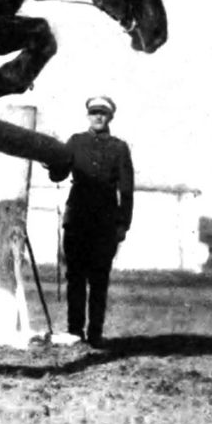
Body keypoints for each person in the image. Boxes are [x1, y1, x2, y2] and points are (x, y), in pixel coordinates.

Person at [48, 96, 134, 347]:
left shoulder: (119, 148)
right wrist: (49, 159)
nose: (98, 117)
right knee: (75, 277)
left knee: (99, 279)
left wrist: (122, 224)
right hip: (77, 220)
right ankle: (75, 330)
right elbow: (59, 172)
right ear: (88, 115)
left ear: (110, 117)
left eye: (103, 113)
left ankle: (95, 333)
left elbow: (127, 190)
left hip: (105, 224)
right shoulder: (75, 142)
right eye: (94, 112)